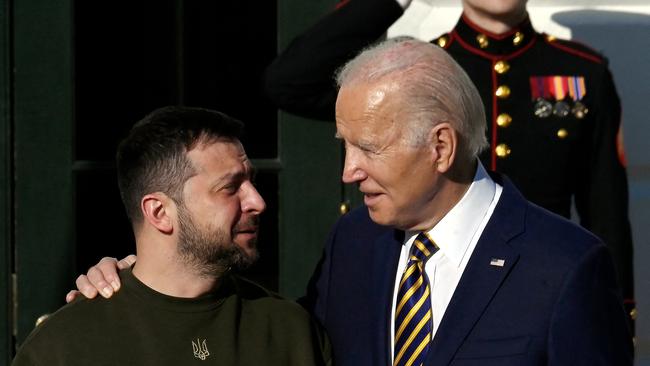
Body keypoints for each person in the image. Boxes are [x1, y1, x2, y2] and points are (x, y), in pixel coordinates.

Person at [73, 39, 632, 365]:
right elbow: (269, 337)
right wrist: (140, 282)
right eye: (346, 147)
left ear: (440, 146)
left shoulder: (565, 269)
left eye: (369, 148)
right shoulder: (357, 239)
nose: (348, 172)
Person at [264, 0, 636, 328]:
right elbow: (289, 82)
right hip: (428, 274)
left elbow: (606, 213)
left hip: (537, 284)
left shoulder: (581, 72)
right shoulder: (418, 73)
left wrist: (616, 316)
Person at [13, 106, 331, 366]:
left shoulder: (289, 331)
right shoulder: (65, 346)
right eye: (231, 188)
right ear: (160, 213)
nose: (257, 202)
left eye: (252, 182)